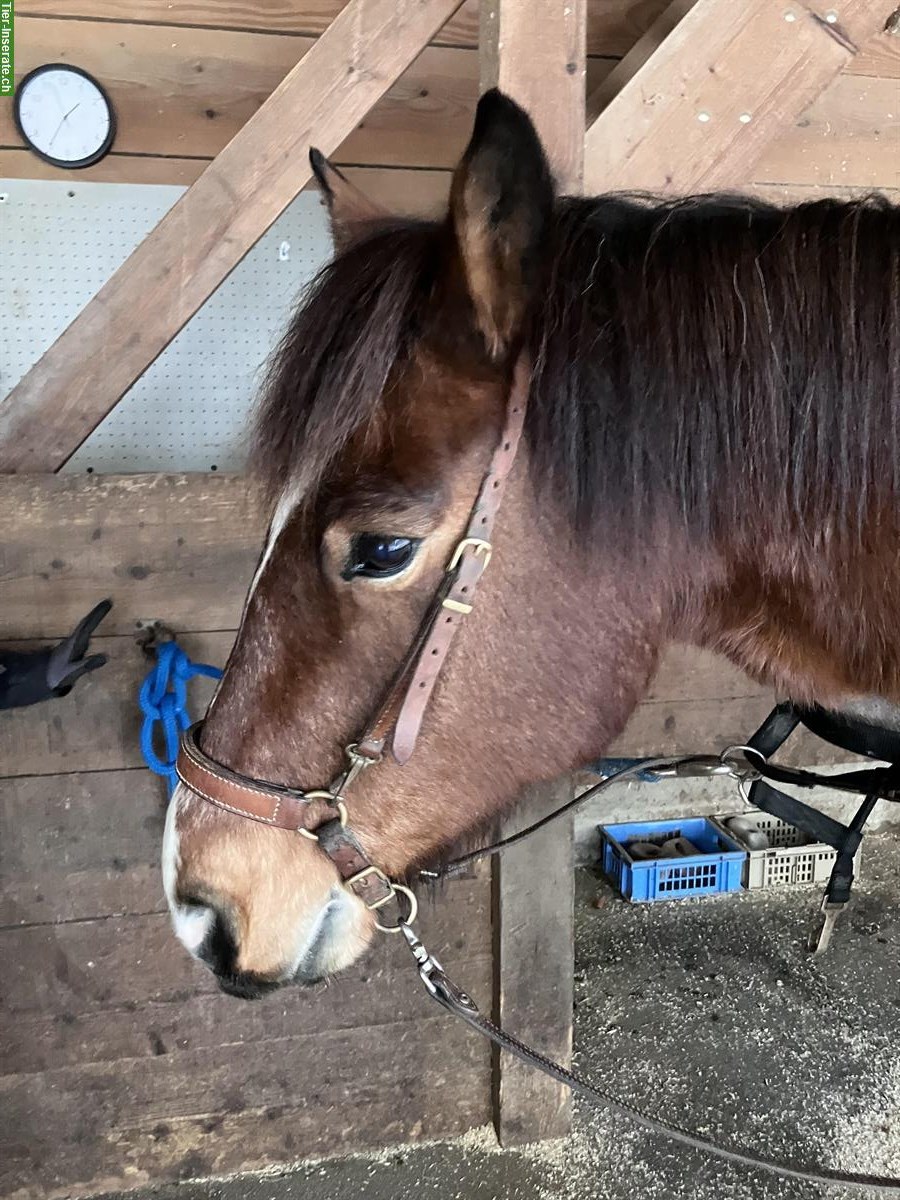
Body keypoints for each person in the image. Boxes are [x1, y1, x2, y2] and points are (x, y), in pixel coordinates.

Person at [0, 599, 111, 710]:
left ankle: (57, 671)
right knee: (14, 676)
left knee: (12, 688)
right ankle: (63, 657)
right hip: (38, 666)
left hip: (39, 681)